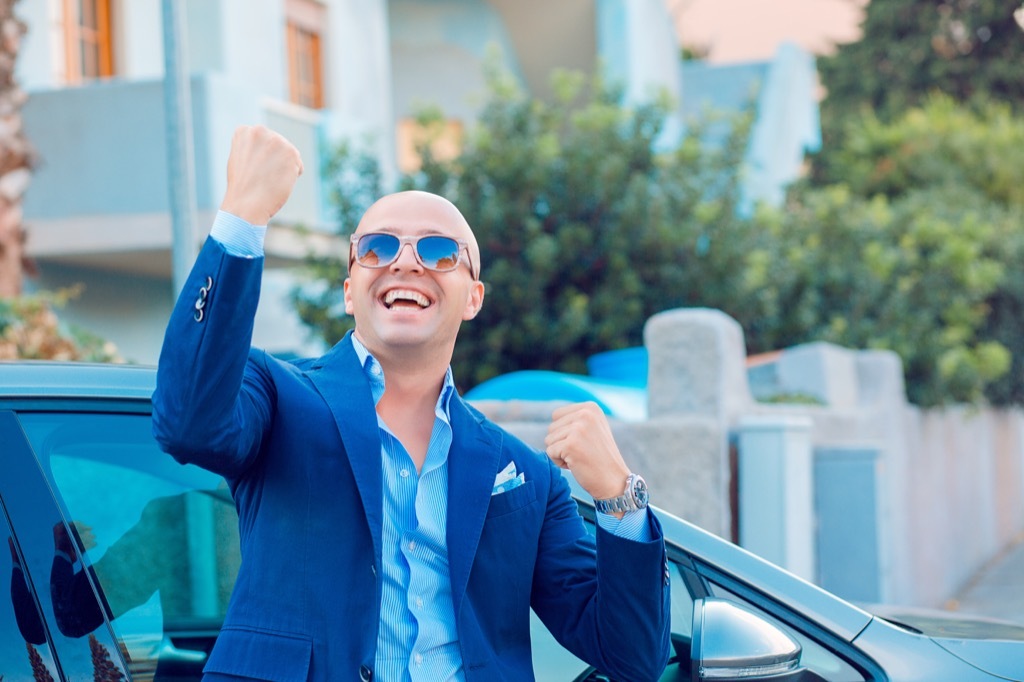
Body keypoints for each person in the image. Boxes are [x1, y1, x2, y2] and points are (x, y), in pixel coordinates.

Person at [152, 125, 670, 681]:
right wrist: (242, 217)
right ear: (350, 288)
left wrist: (620, 498)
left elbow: (632, 657)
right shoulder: (276, 396)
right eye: (377, 247)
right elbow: (187, 423)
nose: (405, 262)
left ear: (473, 297)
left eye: (440, 250)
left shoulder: (525, 477)